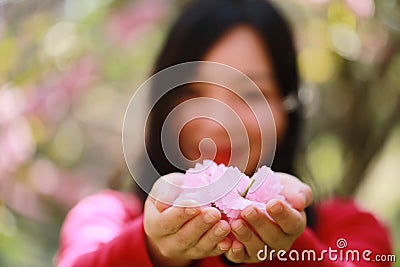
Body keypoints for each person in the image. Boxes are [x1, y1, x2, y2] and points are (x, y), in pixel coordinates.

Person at [56, 0, 392, 266]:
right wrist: (155, 249)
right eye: (194, 94)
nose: (219, 122)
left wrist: (282, 248)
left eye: (250, 93)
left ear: (287, 107)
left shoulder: (354, 230)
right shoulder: (103, 219)